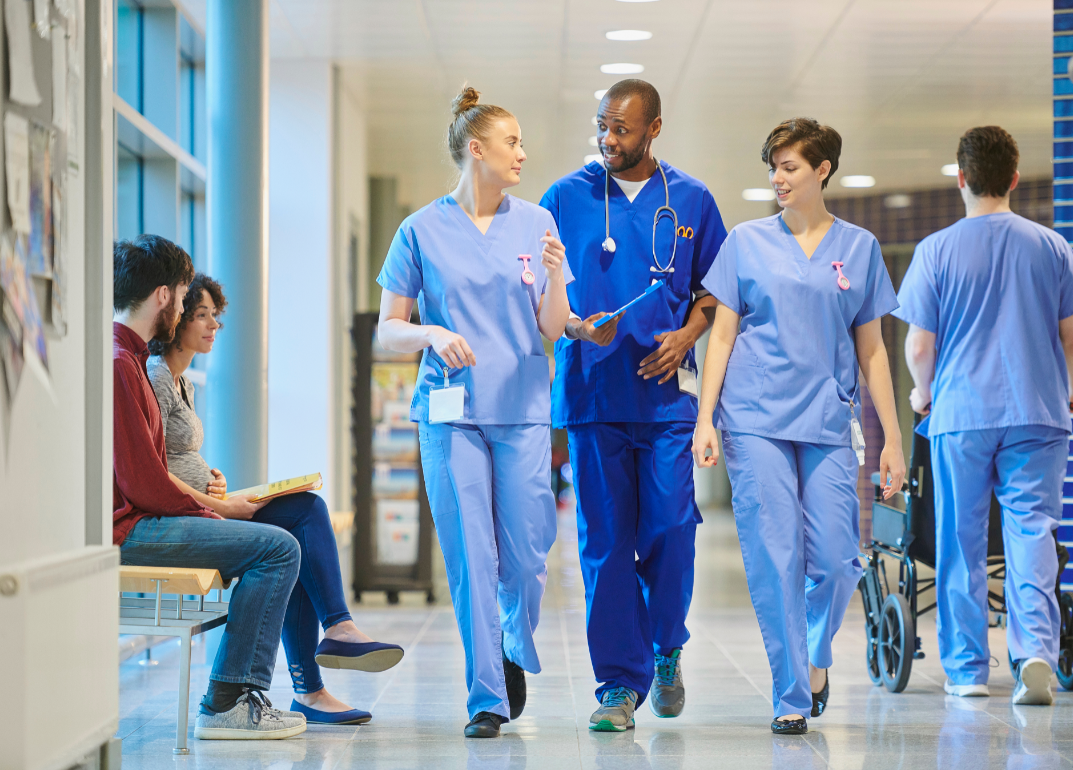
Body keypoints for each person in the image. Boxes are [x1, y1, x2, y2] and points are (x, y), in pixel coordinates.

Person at [693, 118, 906, 734]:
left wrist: (892, 438)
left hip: (825, 418)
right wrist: (706, 419)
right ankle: (790, 695)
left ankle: (814, 654)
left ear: (822, 170)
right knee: (774, 555)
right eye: (772, 167)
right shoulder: (746, 241)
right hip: (754, 419)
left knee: (839, 559)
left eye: (789, 167)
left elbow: (872, 351)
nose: (777, 178)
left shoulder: (858, 248)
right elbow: (724, 333)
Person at [375, 86, 573, 738]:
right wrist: (431, 335)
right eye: (512, 141)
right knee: (471, 558)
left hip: (519, 412)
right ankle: (486, 694)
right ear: (476, 150)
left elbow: (551, 325)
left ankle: (514, 636)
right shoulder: (420, 230)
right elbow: (387, 330)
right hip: (448, 414)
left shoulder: (537, 222)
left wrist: (560, 277)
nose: (523, 152)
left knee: (524, 556)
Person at [540, 79, 726, 731]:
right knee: (606, 543)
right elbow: (539, 298)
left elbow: (715, 293)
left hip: (667, 398)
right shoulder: (562, 199)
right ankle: (619, 686)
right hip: (592, 395)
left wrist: (688, 334)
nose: (608, 140)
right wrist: (575, 327)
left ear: (654, 129)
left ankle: (666, 645)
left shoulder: (693, 200)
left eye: (621, 129)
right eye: (601, 126)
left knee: (673, 526)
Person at [146, 272, 404, 725]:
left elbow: (174, 452)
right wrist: (218, 503)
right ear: (177, 318)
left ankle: (327, 654)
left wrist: (213, 477)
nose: (211, 326)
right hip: (182, 519)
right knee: (288, 539)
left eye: (215, 318)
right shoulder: (155, 375)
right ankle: (318, 666)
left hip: (201, 506)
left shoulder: (182, 381)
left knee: (305, 508)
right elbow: (152, 469)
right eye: (201, 315)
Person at [896, 126, 1073, 706]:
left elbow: (920, 347)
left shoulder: (937, 250)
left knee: (960, 540)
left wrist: (923, 394)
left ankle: (968, 670)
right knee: (1031, 533)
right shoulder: (1053, 248)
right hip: (1038, 411)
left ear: (961, 178)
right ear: (1015, 179)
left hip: (962, 413)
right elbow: (1070, 337)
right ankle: (1036, 654)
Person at [112, 234, 305, 741]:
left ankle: (239, 696)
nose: (182, 307)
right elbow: (147, 483)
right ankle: (226, 703)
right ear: (163, 296)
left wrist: (212, 504)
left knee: (290, 527)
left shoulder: (127, 361)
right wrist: (216, 510)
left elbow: (154, 472)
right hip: (131, 532)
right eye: (181, 296)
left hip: (143, 520)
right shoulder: (121, 366)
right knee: (278, 549)